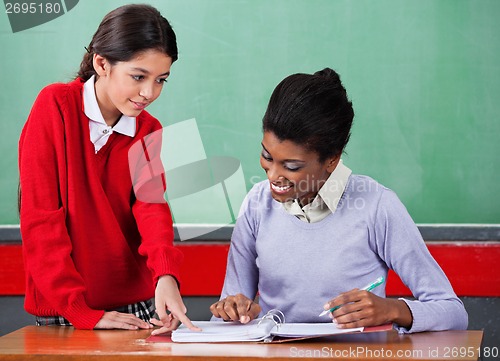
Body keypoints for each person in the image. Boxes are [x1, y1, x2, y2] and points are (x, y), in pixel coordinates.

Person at [210, 68, 468, 333]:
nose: (273, 175)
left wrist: (393, 309)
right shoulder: (257, 203)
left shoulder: (376, 205)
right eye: (267, 156)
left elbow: (452, 311)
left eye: (292, 165)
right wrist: (233, 310)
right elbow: (229, 313)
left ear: (331, 159)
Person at [18, 4, 199, 333]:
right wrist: (81, 310)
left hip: (136, 304)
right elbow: (41, 219)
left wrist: (165, 275)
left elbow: (151, 206)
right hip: (67, 306)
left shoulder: (147, 129)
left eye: (161, 80)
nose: (150, 93)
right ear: (102, 63)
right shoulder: (55, 107)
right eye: (138, 77)